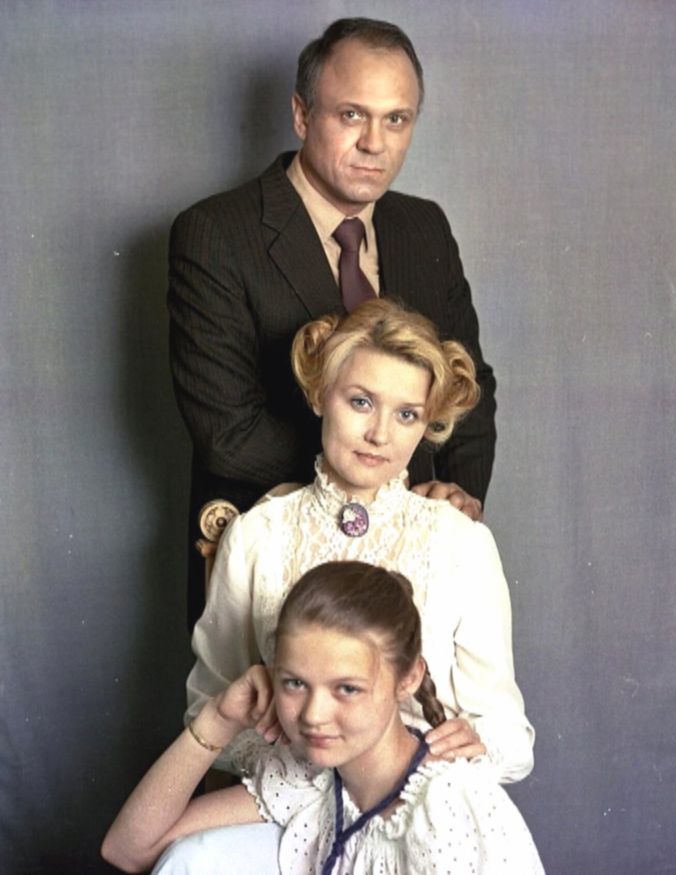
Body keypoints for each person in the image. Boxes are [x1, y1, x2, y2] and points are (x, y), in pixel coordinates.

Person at [168, 17, 497, 626]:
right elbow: (228, 432)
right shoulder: (216, 233)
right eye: (352, 115)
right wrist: (380, 492)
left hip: (415, 552)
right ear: (301, 115)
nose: (375, 142)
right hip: (277, 558)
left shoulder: (424, 226)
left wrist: (455, 501)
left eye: (396, 119)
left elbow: (469, 386)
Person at [187, 299, 533, 786]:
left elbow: (509, 736)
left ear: (427, 424)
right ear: (320, 394)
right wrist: (286, 758)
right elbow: (208, 709)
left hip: (421, 792)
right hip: (289, 798)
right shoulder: (257, 535)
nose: (379, 434)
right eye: (361, 402)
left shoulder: (461, 541)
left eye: (407, 414)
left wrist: (479, 744)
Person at [102, 561, 544, 874]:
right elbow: (129, 850)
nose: (313, 715)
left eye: (347, 689)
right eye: (295, 683)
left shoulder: (448, 809)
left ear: (408, 678)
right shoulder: (312, 781)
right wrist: (218, 718)